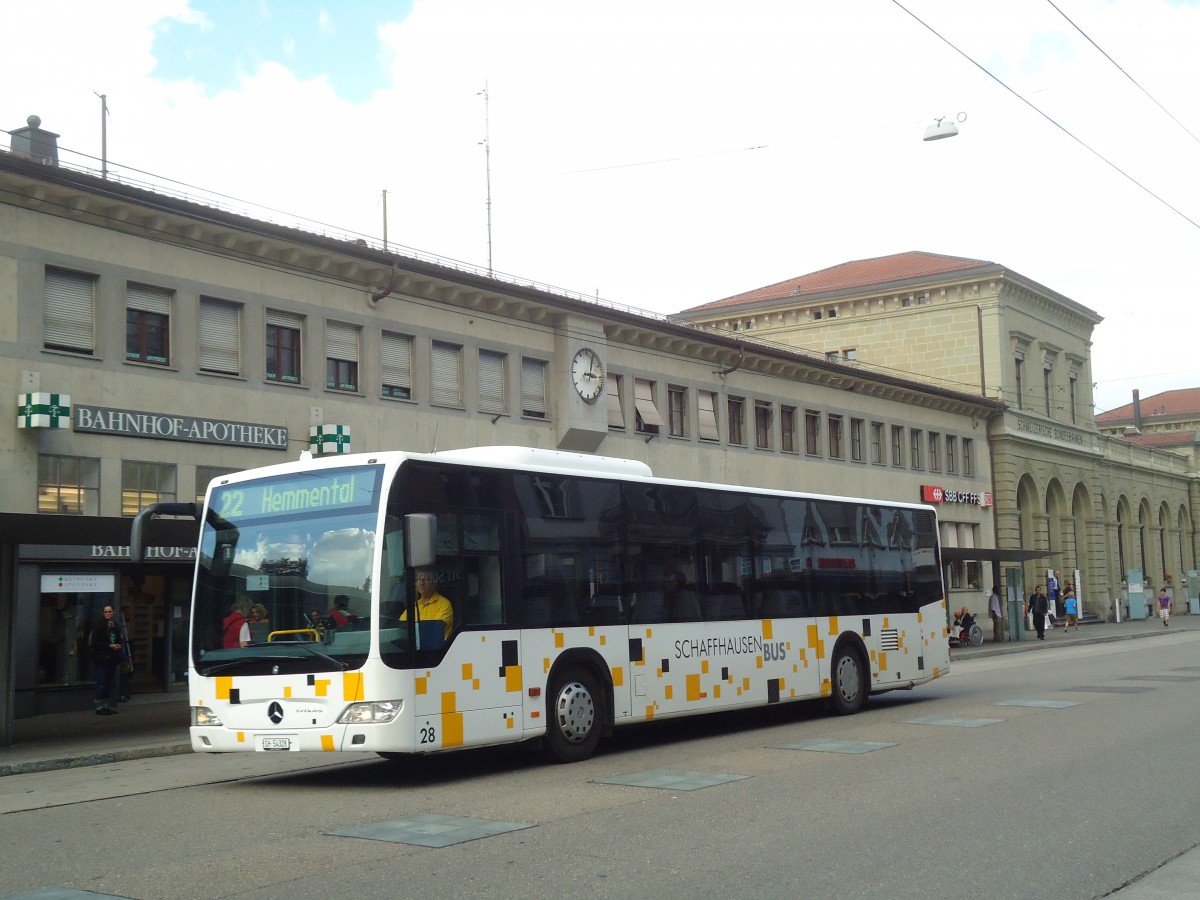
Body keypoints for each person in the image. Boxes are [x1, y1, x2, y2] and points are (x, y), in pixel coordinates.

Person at [400, 568, 454, 640]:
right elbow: (401, 628)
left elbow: (434, 630)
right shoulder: (414, 606)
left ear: (434, 583)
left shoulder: (444, 604)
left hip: (436, 648)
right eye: (419, 579)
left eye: (426, 579)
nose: (422, 583)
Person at [89, 604, 123, 715]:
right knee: (101, 682)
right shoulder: (99, 625)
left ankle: (106, 705)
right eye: (105, 612)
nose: (107, 613)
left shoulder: (115, 625)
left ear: (113, 612)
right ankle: (99, 707)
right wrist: (109, 646)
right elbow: (96, 643)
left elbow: (118, 638)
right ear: (103, 613)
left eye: (109, 611)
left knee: (109, 682)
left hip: (112, 658)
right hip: (102, 658)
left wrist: (118, 646)